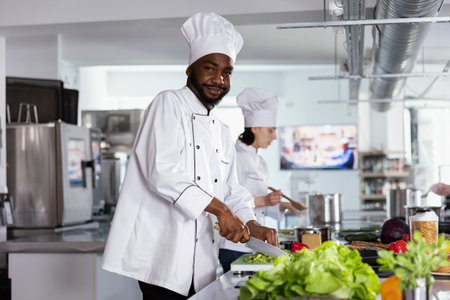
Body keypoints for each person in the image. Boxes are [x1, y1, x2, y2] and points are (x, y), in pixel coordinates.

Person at [102, 12, 278, 300]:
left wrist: (251, 223)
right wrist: (222, 212)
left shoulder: (221, 130)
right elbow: (163, 172)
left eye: (227, 72)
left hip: (203, 261)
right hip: (162, 257)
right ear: (189, 70)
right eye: (210, 69)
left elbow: (233, 190)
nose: (219, 79)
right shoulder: (167, 103)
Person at [218, 88, 307, 273]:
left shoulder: (260, 161)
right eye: (271, 130)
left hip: (253, 241)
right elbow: (228, 199)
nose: (274, 136)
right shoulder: (236, 156)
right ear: (255, 128)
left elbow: (257, 204)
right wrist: (265, 200)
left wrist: (281, 205)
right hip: (234, 244)